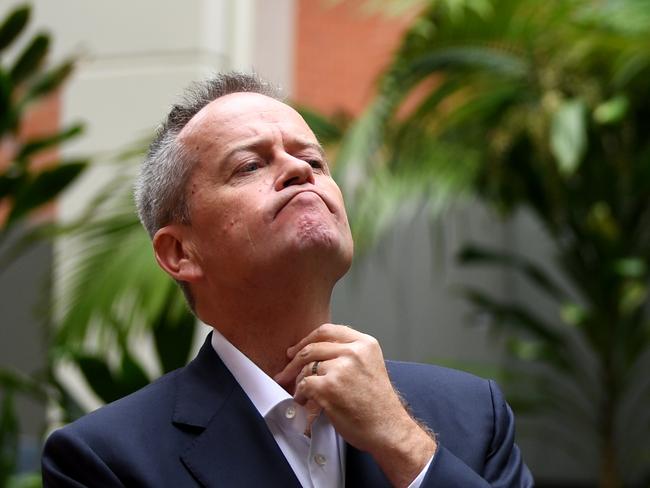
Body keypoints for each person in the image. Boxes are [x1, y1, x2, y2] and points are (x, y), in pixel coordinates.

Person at [42, 72, 533, 487]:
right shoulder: (103, 460)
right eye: (250, 165)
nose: (299, 169)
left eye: (315, 161)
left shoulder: (473, 414)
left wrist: (403, 444)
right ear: (180, 252)